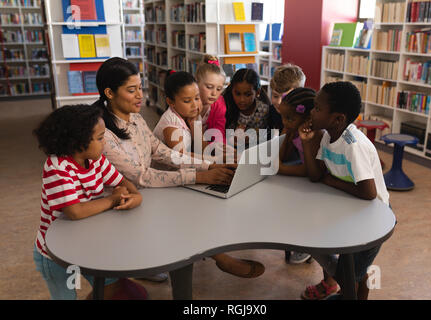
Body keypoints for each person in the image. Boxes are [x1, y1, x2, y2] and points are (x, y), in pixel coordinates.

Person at [95, 57, 264, 279]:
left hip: (148, 193)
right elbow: (143, 176)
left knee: (195, 205)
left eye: (140, 88)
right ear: (109, 93)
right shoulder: (103, 134)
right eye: (131, 90)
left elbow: (162, 152)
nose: (140, 95)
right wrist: (200, 176)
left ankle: (212, 255)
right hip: (124, 202)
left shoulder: (136, 119)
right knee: (188, 212)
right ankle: (219, 258)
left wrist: (210, 164)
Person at [32, 104, 144, 300]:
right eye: (100, 138)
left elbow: (123, 182)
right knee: (66, 297)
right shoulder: (57, 167)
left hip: (88, 245)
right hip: (56, 255)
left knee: (110, 286)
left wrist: (136, 197)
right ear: (78, 142)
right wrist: (113, 199)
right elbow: (75, 212)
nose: (105, 143)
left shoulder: (96, 159)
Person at [299, 81, 390, 300]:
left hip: (373, 218)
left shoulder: (353, 144)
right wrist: (306, 143)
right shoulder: (329, 135)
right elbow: (315, 175)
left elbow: (368, 192)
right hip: (353, 210)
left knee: (348, 275)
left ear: (338, 118)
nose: (312, 112)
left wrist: (330, 181)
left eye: (318, 108)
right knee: (349, 270)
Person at [269, 64, 311, 265]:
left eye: (283, 97)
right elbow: (283, 152)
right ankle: (293, 237)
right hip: (301, 162)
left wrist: (281, 167)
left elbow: (312, 168)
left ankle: (305, 241)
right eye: (275, 96)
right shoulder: (288, 118)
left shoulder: (309, 125)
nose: (278, 102)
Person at [223, 68, 271, 148]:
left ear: (257, 92)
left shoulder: (264, 110)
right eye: (237, 94)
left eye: (248, 95)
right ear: (232, 90)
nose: (242, 100)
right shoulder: (226, 106)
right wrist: (232, 139)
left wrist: (251, 138)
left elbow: (268, 137)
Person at [268, 63, 306, 131]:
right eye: (275, 96)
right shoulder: (271, 112)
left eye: (285, 97)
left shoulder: (303, 117)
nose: (279, 102)